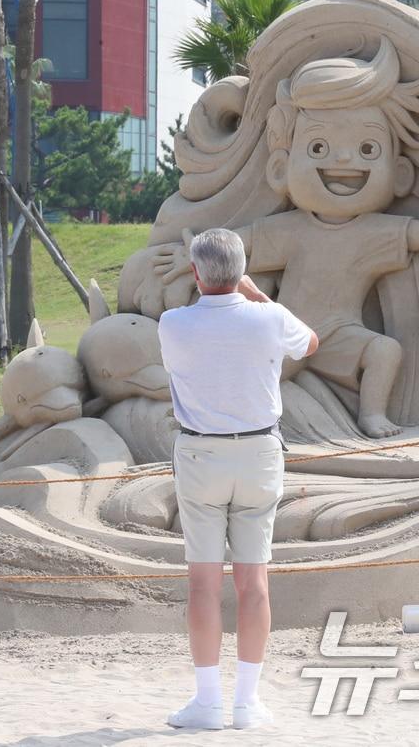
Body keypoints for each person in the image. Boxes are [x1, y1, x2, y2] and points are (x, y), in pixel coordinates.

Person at [152, 37, 419, 438]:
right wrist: (189, 256)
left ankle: (372, 415)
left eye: (367, 148)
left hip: (341, 334)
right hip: (286, 330)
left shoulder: (375, 231)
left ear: (400, 174)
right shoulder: (292, 228)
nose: (343, 160)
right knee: (249, 366)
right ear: (280, 169)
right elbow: (231, 249)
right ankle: (206, 409)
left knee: (385, 350)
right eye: (318, 146)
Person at [157, 229, 318, 731]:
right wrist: (255, 294)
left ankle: (208, 701)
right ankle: (246, 703)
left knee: (203, 583)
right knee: (254, 583)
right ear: (242, 270)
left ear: (195, 273)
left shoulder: (173, 323)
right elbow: (310, 343)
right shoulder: (268, 318)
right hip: (259, 452)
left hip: (201, 451)